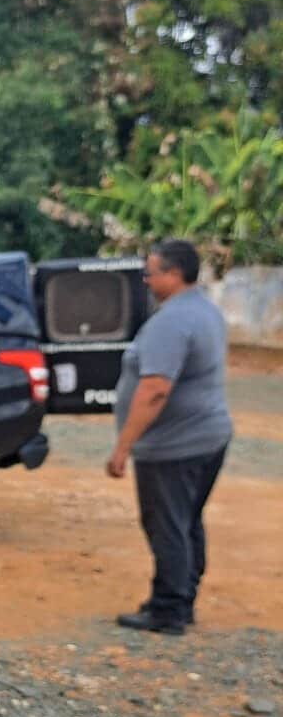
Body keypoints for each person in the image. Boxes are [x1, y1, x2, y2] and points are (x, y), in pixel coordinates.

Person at [107, 238, 233, 635]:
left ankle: (169, 609)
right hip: (208, 436)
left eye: (151, 272)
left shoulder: (172, 322)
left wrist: (123, 446)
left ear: (174, 274)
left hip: (174, 446)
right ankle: (183, 596)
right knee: (186, 521)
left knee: (168, 525)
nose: (145, 279)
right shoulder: (204, 311)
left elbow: (155, 389)